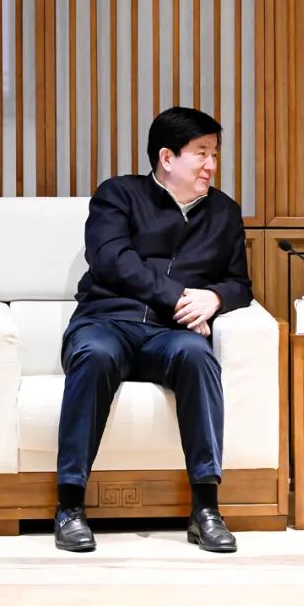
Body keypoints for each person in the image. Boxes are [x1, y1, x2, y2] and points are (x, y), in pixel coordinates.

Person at [53, 107, 251, 553]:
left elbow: (240, 284)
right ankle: (69, 507)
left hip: (170, 336)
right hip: (107, 322)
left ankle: (206, 510)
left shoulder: (224, 212)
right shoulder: (118, 195)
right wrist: (178, 296)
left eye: (215, 154)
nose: (211, 165)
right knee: (95, 356)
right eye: (201, 153)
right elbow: (112, 260)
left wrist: (216, 298)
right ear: (167, 157)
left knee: (198, 357)